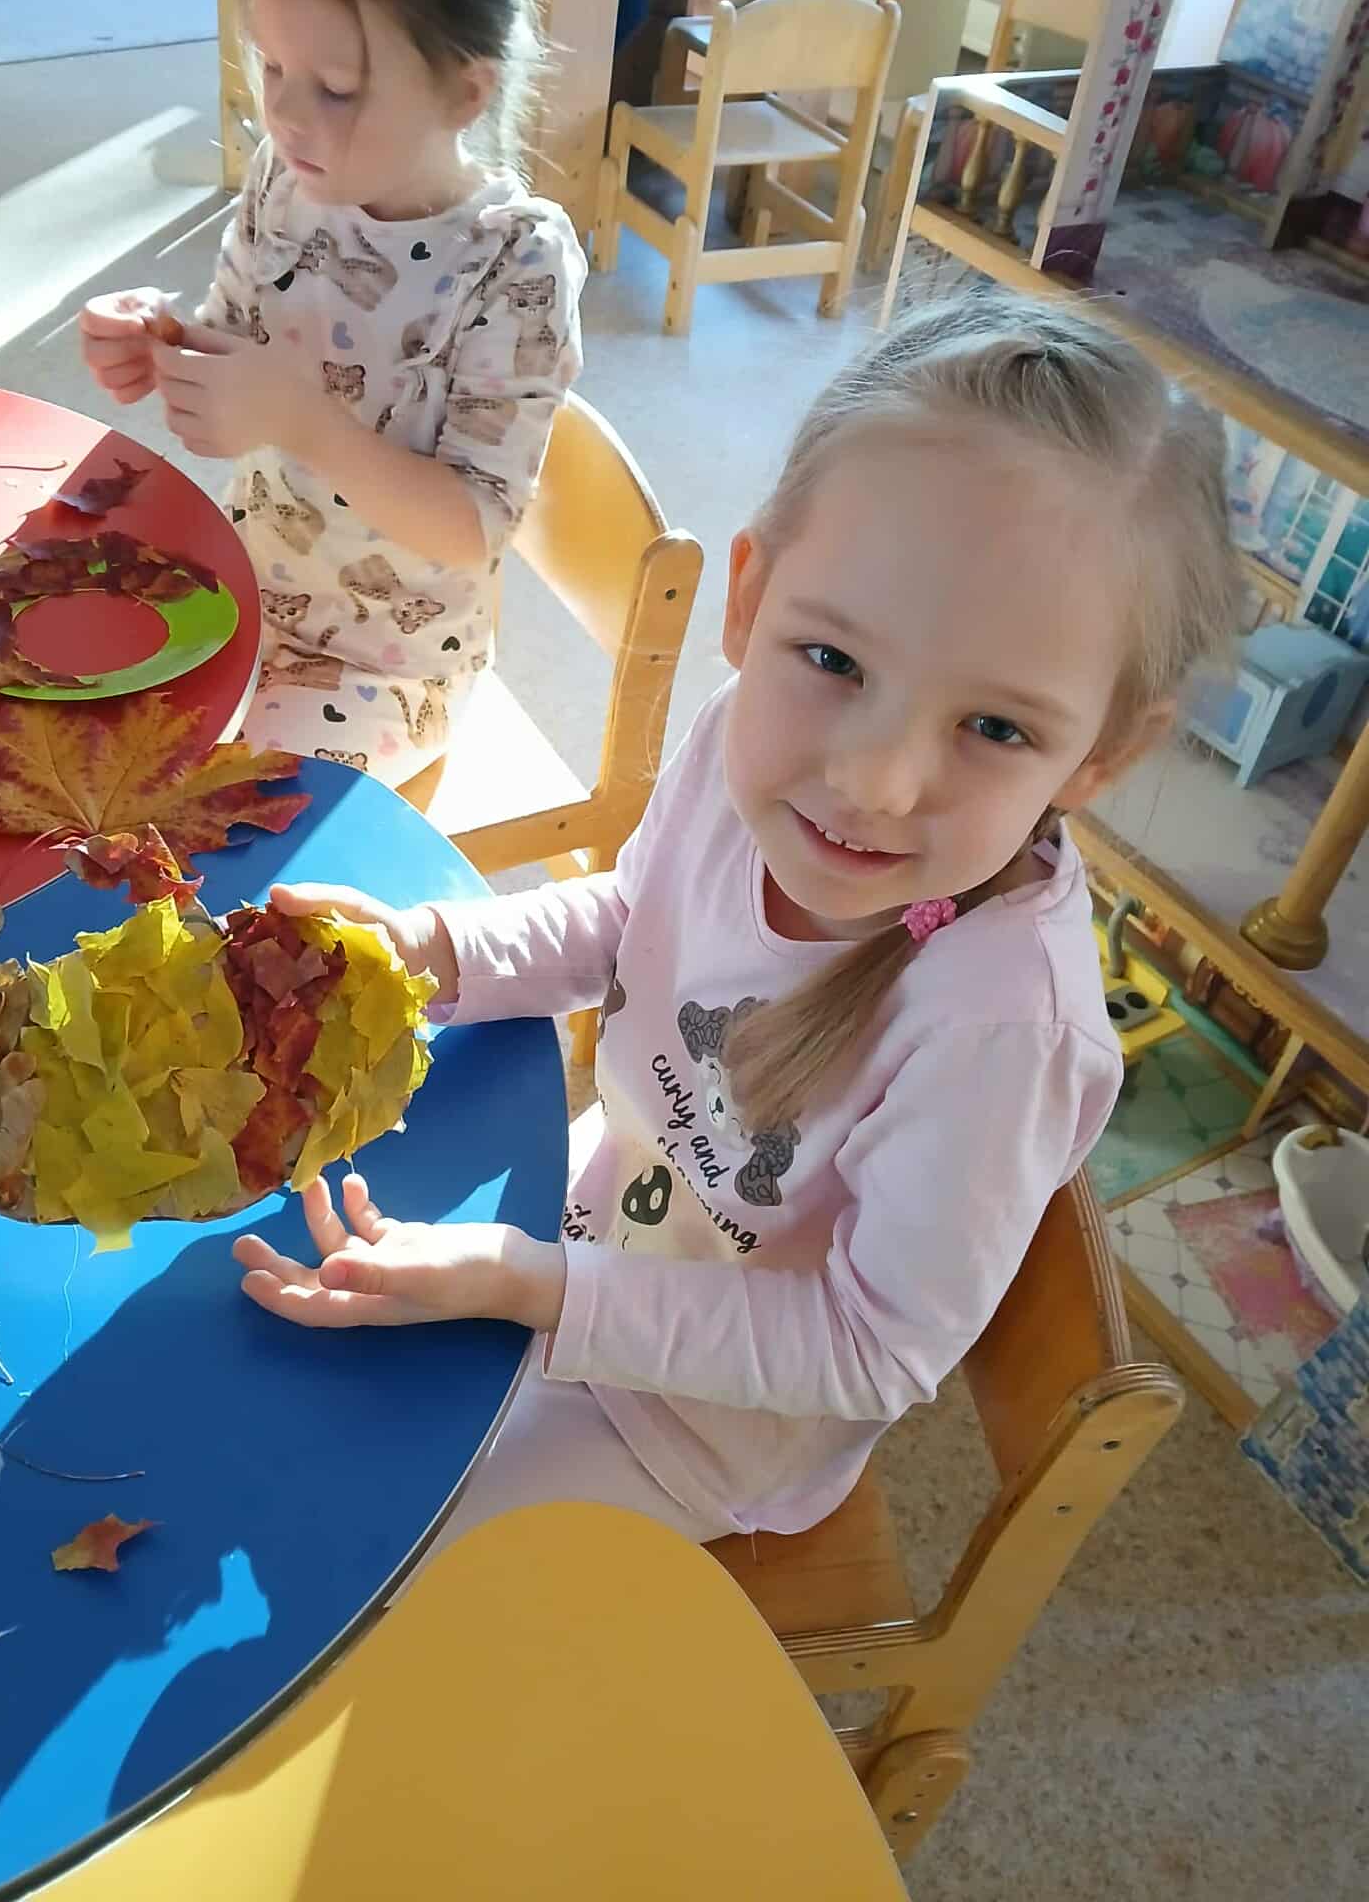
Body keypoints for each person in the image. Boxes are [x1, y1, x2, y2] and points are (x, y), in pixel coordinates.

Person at [233, 297, 1244, 1547]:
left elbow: (867, 1346)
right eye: (834, 660)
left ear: (1101, 755)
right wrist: (433, 953)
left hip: (696, 1425)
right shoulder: (736, 743)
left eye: (995, 727)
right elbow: (636, 915)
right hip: (588, 1223)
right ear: (751, 597)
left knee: (361, 1553)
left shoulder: (1002, 1031)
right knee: (270, 1407)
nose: (875, 781)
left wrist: (531, 1285)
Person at [79, 0, 586, 787]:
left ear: (465, 91)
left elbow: (475, 521)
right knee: (67, 699)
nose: (283, 112)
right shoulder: (287, 179)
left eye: (338, 88)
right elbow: (233, 338)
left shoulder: (516, 261)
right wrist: (162, 339)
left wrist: (305, 423)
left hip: (388, 665)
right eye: (271, 64)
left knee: (205, 812)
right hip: (240, 584)